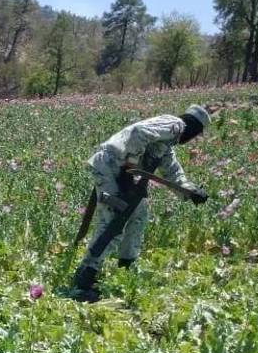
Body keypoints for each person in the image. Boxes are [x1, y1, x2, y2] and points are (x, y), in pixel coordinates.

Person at [69, 105, 211, 302]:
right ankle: (83, 280)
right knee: (113, 222)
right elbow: (139, 132)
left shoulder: (167, 144)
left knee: (138, 216)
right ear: (194, 127)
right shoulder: (175, 124)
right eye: (196, 134)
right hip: (112, 167)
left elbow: (173, 172)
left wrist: (191, 191)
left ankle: (125, 270)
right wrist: (130, 165)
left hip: (123, 173)